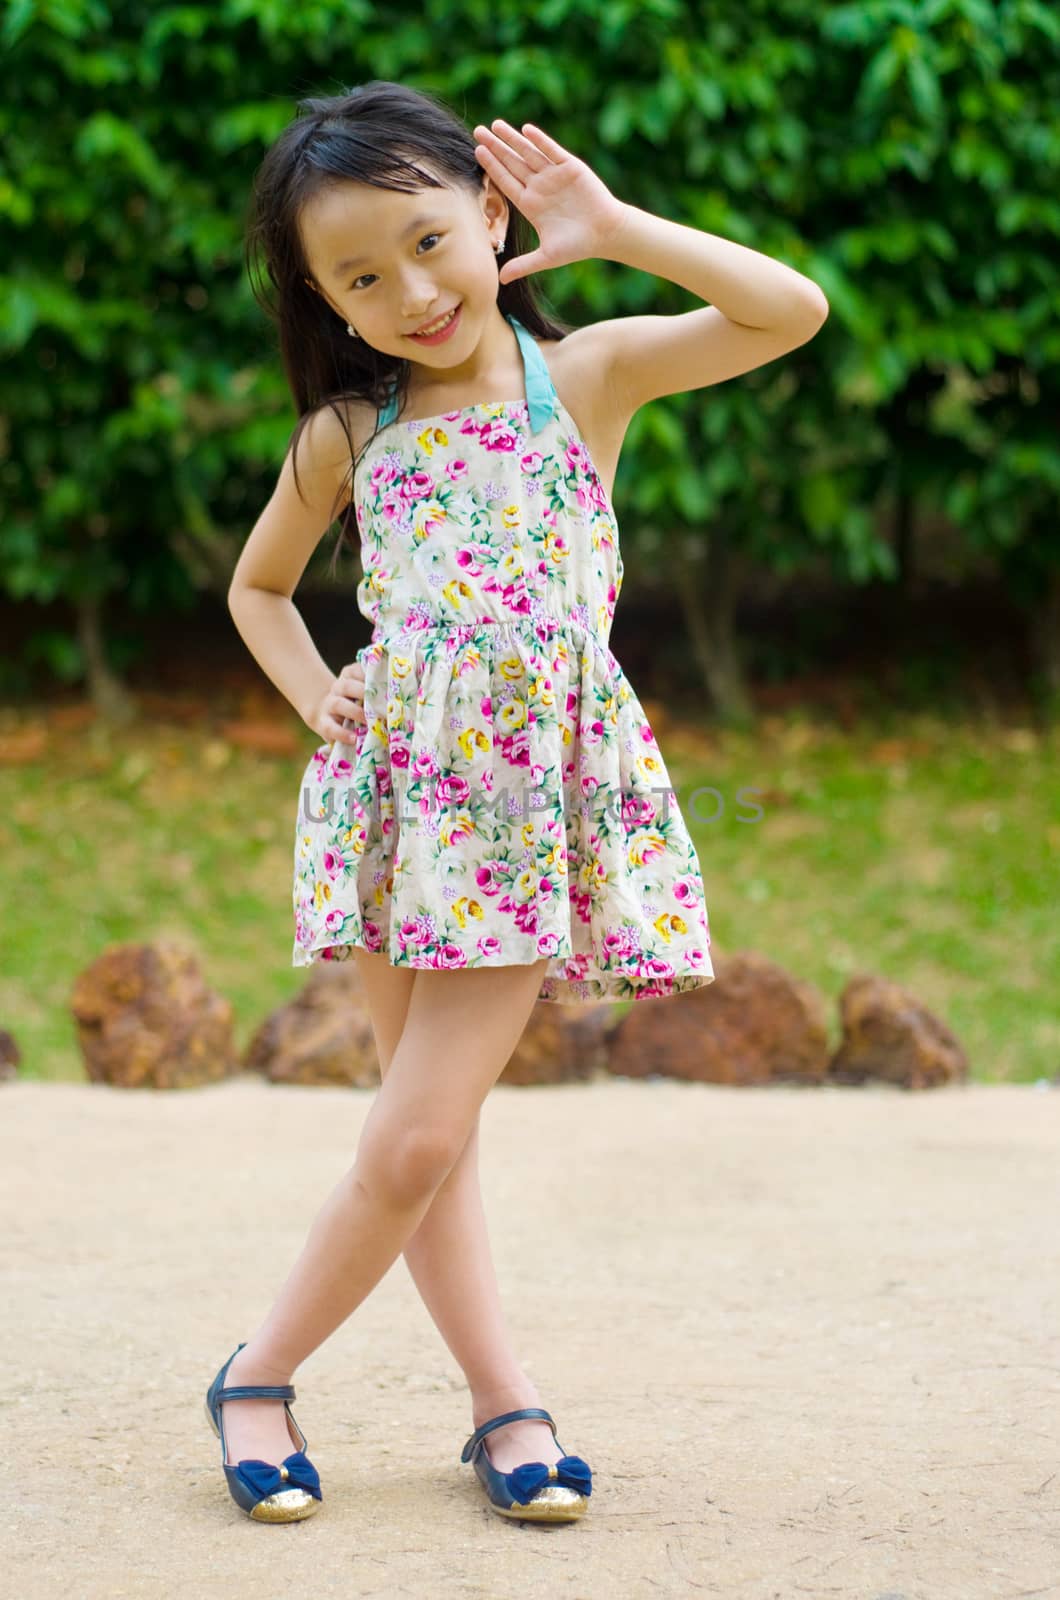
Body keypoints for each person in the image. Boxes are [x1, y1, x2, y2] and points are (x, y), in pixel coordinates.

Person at [213, 80, 828, 1526]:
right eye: (360, 278)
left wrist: (613, 227)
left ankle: (257, 1371)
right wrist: (318, 696)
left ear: (492, 214)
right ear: (325, 300)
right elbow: (255, 590)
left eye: (431, 242)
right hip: (395, 803)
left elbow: (787, 309)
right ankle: (505, 1408)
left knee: (417, 1137)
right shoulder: (346, 436)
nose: (412, 293)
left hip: (521, 815)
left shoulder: (591, 375)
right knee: (431, 1141)